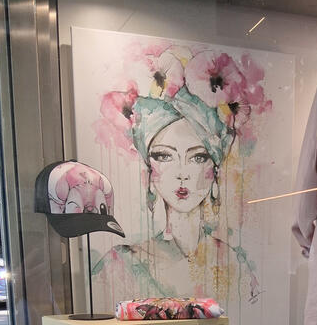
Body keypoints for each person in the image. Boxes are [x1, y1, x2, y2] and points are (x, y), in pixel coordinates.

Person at [92, 46, 270, 308]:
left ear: (215, 170)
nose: (182, 173)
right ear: (150, 169)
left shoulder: (234, 264)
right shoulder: (120, 265)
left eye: (198, 157)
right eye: (165, 156)